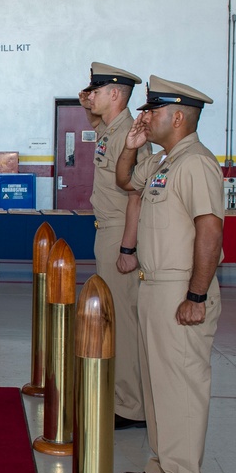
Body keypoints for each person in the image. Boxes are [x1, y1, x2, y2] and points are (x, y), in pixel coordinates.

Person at [115, 75, 223, 473]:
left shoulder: (195, 162)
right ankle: (162, 466)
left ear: (177, 117)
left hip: (181, 289)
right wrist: (130, 144)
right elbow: (126, 182)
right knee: (160, 384)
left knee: (180, 386)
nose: (145, 116)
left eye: (153, 110)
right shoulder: (165, 161)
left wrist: (196, 297)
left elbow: (210, 229)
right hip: (155, 286)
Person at [80, 63, 150, 430]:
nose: (90, 95)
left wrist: (127, 247)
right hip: (107, 229)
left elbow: (137, 192)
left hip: (121, 231)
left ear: (116, 94)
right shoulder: (111, 130)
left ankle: (131, 406)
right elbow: (96, 126)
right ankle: (125, 398)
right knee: (114, 317)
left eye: (97, 90)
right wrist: (85, 106)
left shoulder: (130, 133)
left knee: (123, 320)